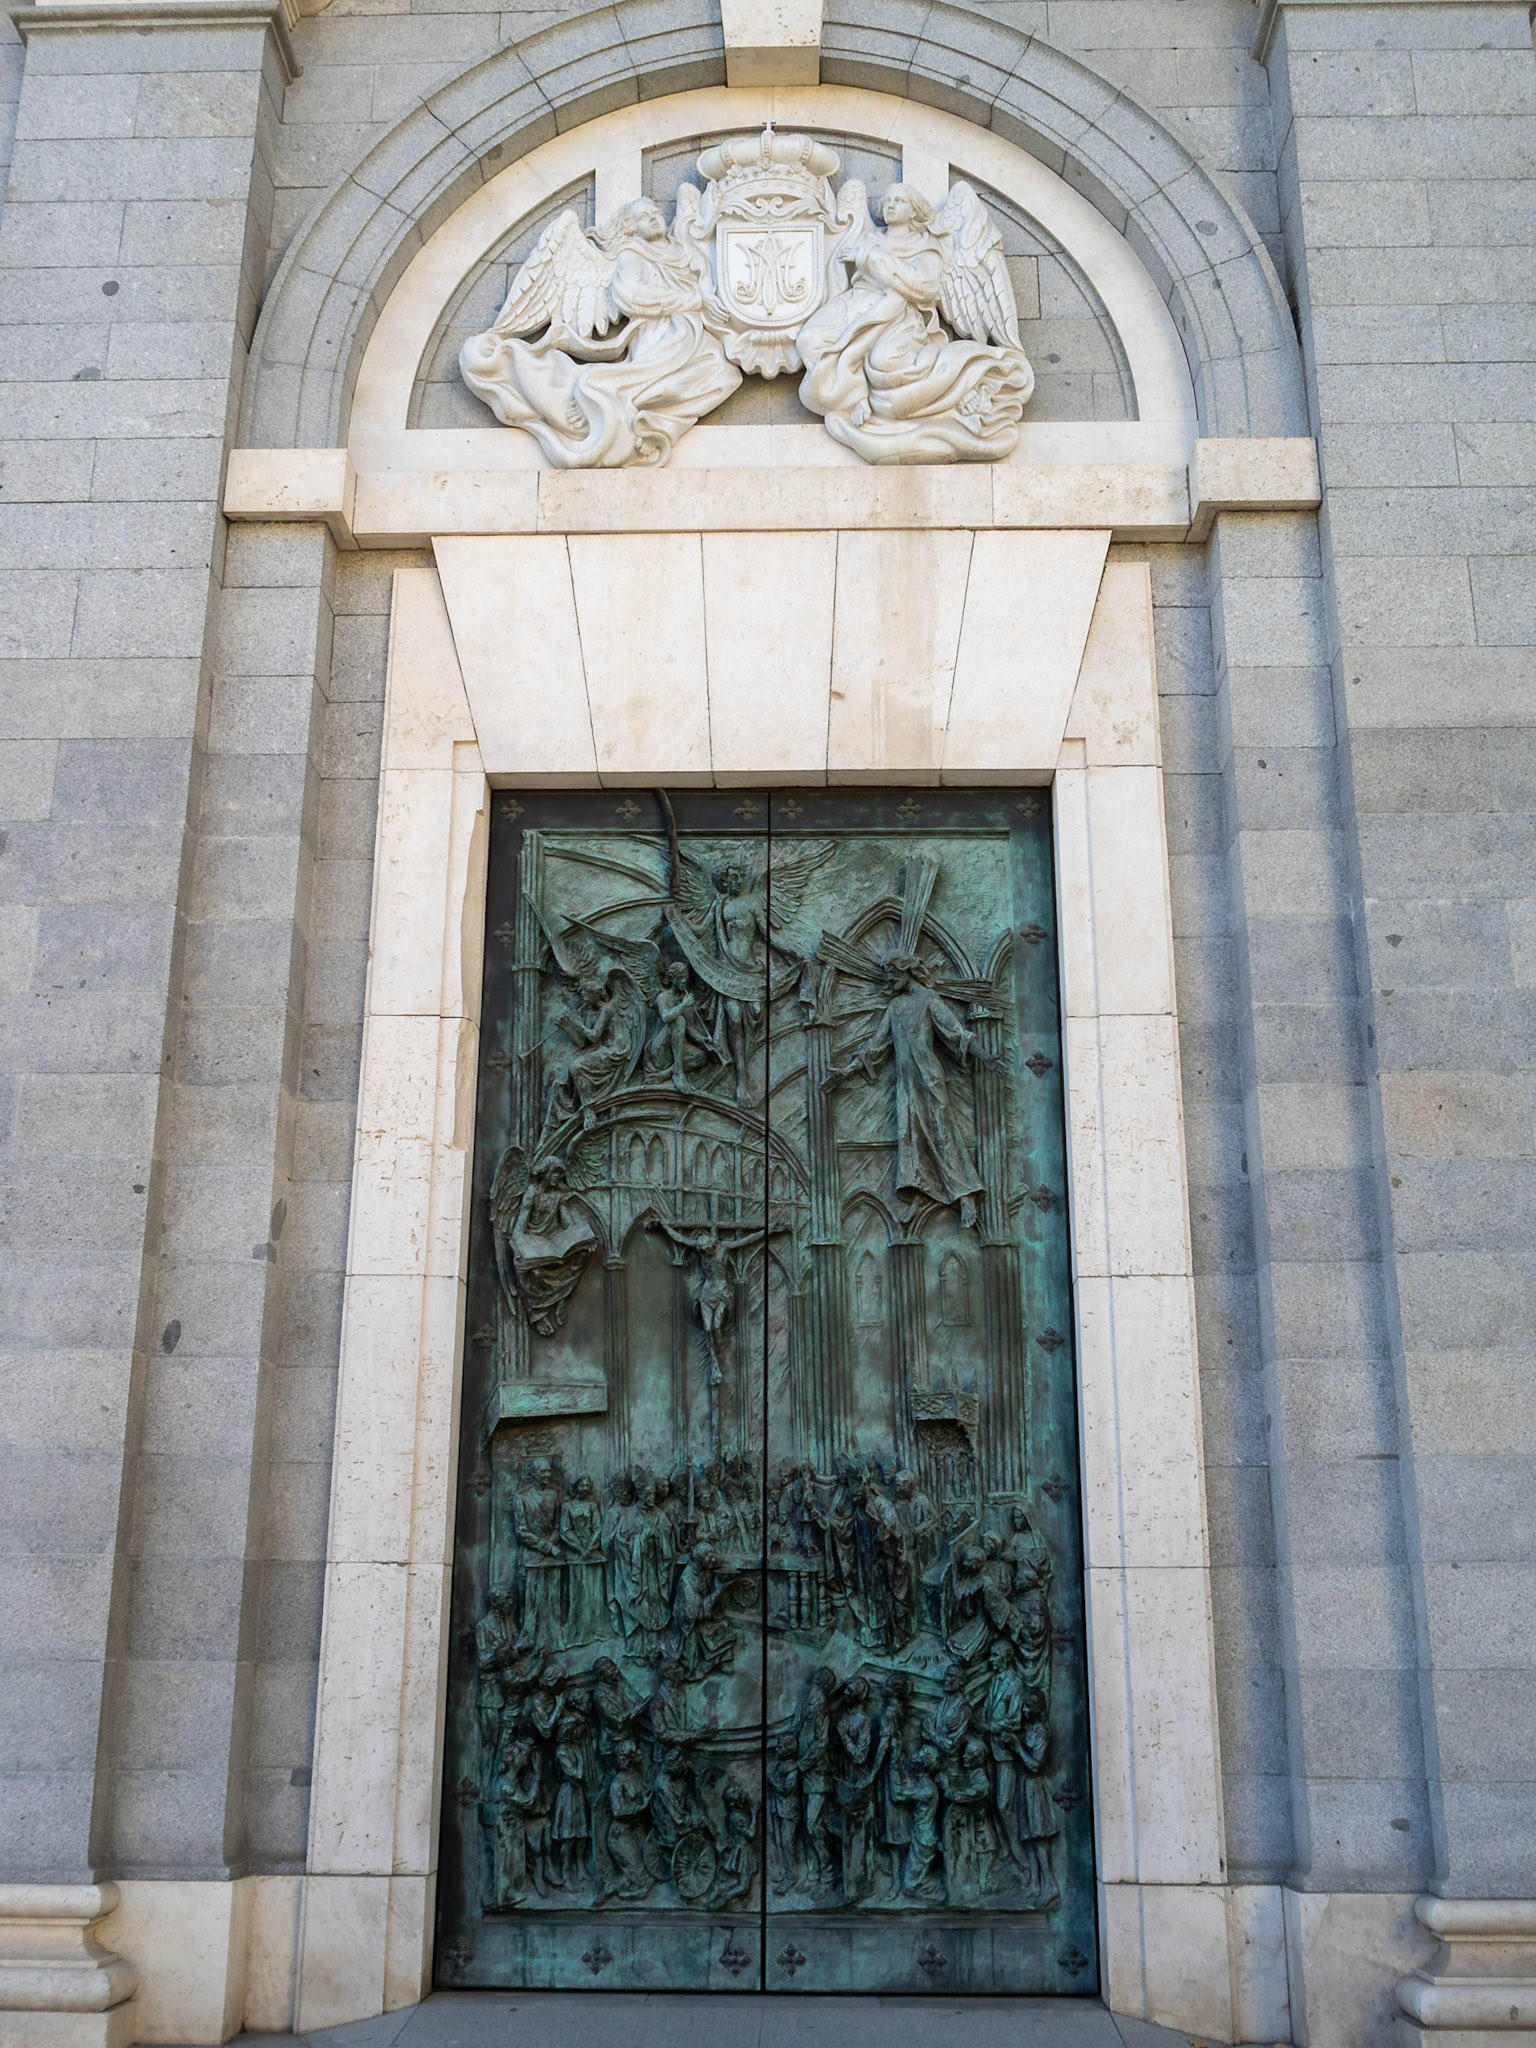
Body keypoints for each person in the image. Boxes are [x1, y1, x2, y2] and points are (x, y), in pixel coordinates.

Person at [981, 1640, 1029, 1874]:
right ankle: (1005, 1851)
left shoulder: (1014, 1684)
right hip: (991, 1749)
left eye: (994, 1656)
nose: (991, 1660)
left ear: (1006, 1657)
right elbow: (988, 1709)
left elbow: (1015, 1720)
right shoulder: (995, 1681)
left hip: (1006, 1752)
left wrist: (991, 1726)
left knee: (1004, 1804)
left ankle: (1021, 1856)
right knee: (993, 1804)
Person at [941, 1737, 1000, 1905]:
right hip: (969, 1841)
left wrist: (946, 1789)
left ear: (979, 1759)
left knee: (980, 1889)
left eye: (968, 1755)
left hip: (982, 1845)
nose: (964, 1757)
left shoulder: (981, 1783)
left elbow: (962, 1796)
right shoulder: (970, 1776)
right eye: (965, 1754)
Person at [1018, 1687, 1060, 1908]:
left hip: (1035, 1787)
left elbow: (1035, 1764)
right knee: (1028, 1836)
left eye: (1027, 1707)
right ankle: (1035, 1883)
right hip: (1024, 1786)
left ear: (1037, 1709)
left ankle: (1050, 1885)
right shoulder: (1028, 1729)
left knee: (1039, 1836)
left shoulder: (1041, 1732)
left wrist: (1016, 1747)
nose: (1023, 1710)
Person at [598, 1739, 652, 1902]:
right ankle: (609, 1887)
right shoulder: (617, 1783)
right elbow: (618, 1811)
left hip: (637, 1830)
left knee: (649, 1872)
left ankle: (629, 1887)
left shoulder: (635, 1776)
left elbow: (647, 1793)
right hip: (621, 1834)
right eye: (633, 1752)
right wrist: (641, 1807)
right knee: (640, 1877)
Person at [559, 1474, 607, 1647]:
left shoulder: (593, 1506)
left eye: (588, 1485)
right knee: (578, 1594)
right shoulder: (567, 1507)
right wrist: (580, 1548)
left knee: (594, 1594)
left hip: (592, 1554)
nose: (585, 1488)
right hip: (575, 1555)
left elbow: (598, 1528)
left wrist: (590, 1547)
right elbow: (565, 1530)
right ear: (575, 1487)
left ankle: (595, 1629)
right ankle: (577, 1631)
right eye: (582, 1485)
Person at [895, 1742, 944, 1901]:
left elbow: (898, 1796)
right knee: (910, 1883)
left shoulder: (927, 1789)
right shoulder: (924, 1785)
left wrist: (892, 1767)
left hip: (924, 1839)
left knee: (910, 1886)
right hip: (922, 1836)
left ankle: (942, 1888)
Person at [550, 1711, 591, 1890]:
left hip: (578, 1794)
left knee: (581, 1835)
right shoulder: (562, 1752)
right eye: (574, 1730)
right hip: (568, 1794)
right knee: (568, 1837)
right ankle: (566, 1874)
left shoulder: (575, 1748)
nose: (577, 1733)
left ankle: (581, 1867)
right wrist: (581, 1760)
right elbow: (576, 1775)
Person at [767, 1731, 804, 1893]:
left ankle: (792, 1874)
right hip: (777, 1808)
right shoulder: (777, 1765)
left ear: (789, 1750)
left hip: (789, 1810)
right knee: (779, 1840)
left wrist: (772, 1780)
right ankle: (784, 1870)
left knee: (787, 1842)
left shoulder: (793, 1769)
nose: (777, 1750)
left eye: (781, 1747)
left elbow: (787, 1789)